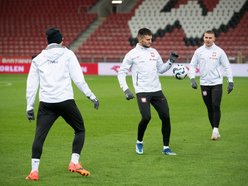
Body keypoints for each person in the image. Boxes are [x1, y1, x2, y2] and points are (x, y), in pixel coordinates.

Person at [25, 27, 99, 180]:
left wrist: (29, 106)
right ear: (61, 40)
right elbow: (78, 79)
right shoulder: (68, 54)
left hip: (46, 104)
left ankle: (34, 172)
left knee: (39, 137)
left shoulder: (38, 59)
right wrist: (91, 96)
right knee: (80, 130)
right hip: (65, 101)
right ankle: (74, 162)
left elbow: (31, 84)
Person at [117, 28, 178, 155]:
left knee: (166, 117)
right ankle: (139, 142)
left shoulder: (154, 52)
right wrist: (126, 89)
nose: (151, 41)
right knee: (146, 117)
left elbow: (161, 69)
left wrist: (170, 62)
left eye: (151, 39)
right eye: (148, 39)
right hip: (142, 91)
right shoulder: (131, 54)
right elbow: (121, 73)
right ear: (140, 39)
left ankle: (166, 147)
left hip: (157, 90)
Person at [188, 30, 234, 140]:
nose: (208, 39)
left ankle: (215, 129)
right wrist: (192, 78)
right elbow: (192, 65)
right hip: (204, 83)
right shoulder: (199, 51)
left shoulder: (219, 51)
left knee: (215, 105)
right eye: (206, 37)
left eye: (210, 38)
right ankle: (214, 128)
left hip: (217, 83)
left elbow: (227, 66)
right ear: (203, 38)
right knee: (209, 107)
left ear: (214, 39)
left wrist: (230, 81)